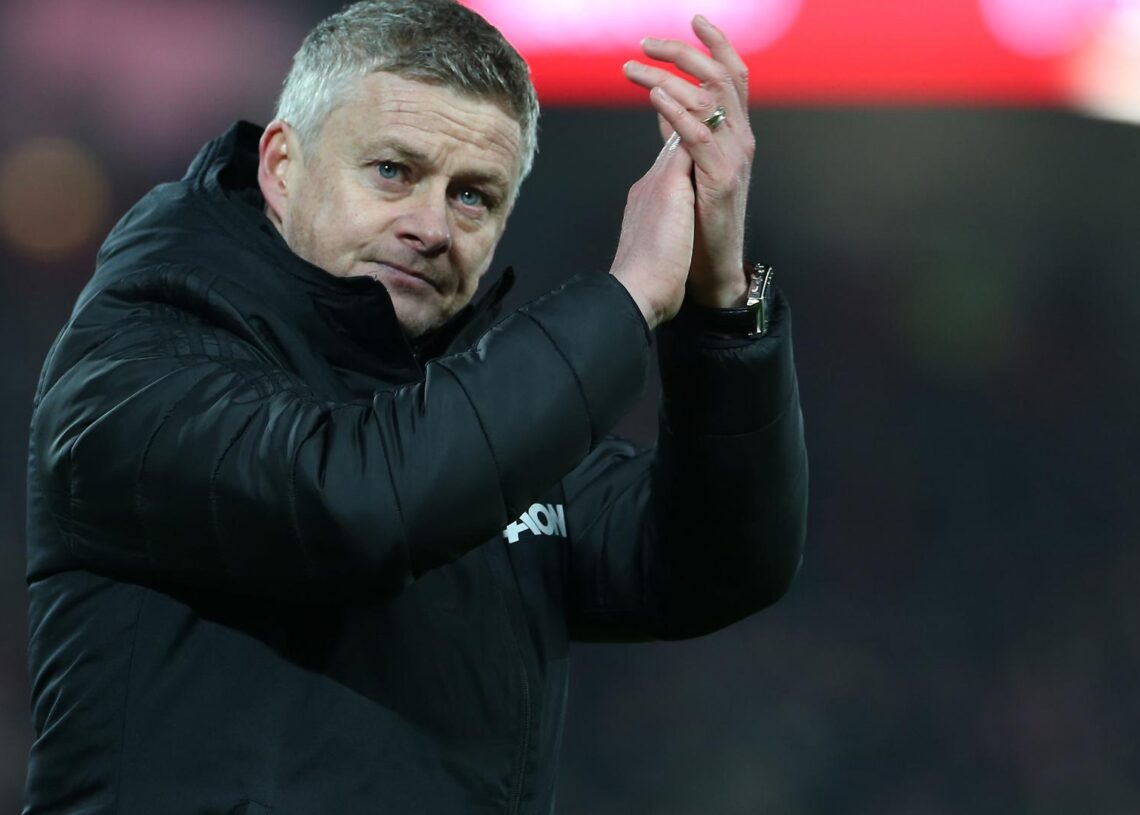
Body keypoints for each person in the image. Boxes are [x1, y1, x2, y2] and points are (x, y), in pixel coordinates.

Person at [23, 1, 808, 812]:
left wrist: (719, 301)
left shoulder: (476, 421)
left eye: (473, 196)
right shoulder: (137, 357)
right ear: (282, 166)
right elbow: (350, 500)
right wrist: (629, 295)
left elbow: (718, 563)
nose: (432, 226)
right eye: (394, 171)